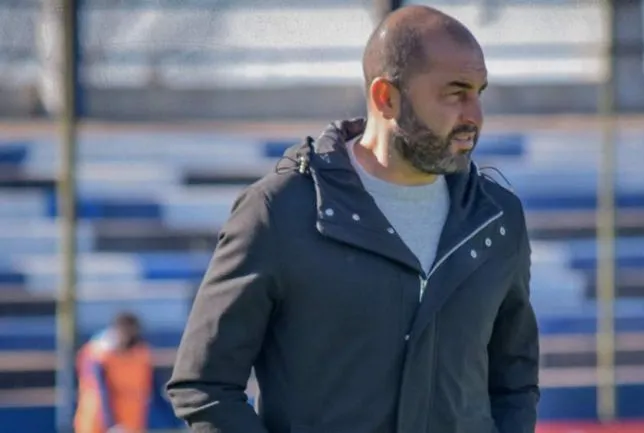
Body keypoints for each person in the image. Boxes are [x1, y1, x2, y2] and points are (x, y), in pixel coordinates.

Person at [166, 5, 539, 433]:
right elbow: (205, 386)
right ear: (387, 98)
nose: (474, 115)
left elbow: (514, 383)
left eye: (479, 92)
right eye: (455, 93)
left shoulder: (497, 221)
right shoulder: (279, 212)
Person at [74, 312, 153, 433]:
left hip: (131, 423)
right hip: (97, 425)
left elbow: (151, 388)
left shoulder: (141, 354)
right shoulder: (98, 356)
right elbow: (100, 392)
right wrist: (111, 425)